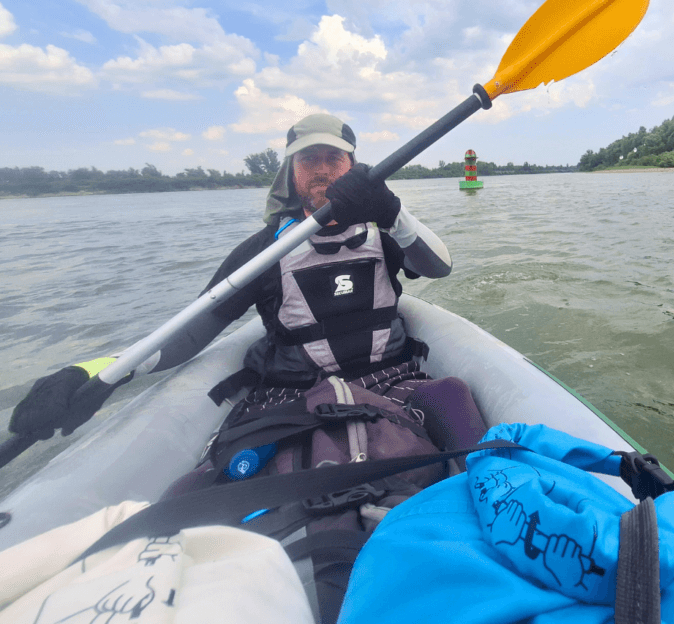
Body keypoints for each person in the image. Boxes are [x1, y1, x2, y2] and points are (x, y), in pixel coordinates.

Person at [9, 113, 456, 439]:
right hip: (296, 396)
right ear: (291, 172)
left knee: (454, 398)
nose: (321, 169)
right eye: (307, 160)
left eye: (333, 158)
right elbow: (188, 336)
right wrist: (94, 370)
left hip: (393, 381)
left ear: (354, 165)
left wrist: (393, 211)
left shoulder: (387, 231)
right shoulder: (263, 251)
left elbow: (439, 267)